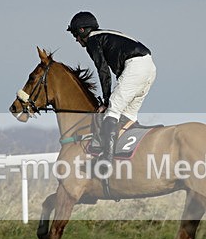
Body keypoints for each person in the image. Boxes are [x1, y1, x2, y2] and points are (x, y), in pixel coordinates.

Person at [66, 11, 156, 167]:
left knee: (112, 112)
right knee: (128, 116)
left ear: (82, 30)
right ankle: (130, 158)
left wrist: (107, 100)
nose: (75, 39)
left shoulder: (92, 40)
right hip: (149, 67)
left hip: (134, 67)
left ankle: (106, 160)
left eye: (75, 34)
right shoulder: (104, 35)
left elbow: (103, 71)